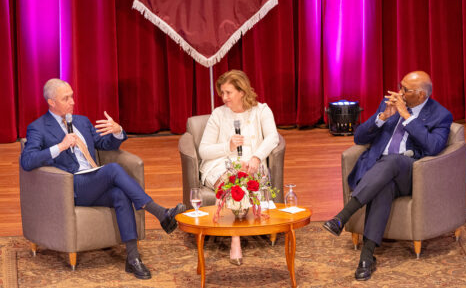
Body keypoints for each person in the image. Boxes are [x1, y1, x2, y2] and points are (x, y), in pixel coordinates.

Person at [20, 78, 186, 280]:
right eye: (66, 98)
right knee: (113, 170)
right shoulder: (38, 128)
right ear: (51, 102)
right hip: (71, 187)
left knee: (120, 194)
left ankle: (133, 259)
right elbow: (27, 161)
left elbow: (104, 145)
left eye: (72, 96)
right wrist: (60, 147)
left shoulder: (81, 121)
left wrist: (117, 132)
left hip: (94, 181)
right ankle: (160, 212)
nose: (72, 101)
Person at [323, 71, 452, 281]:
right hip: (379, 172)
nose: (399, 93)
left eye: (405, 90)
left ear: (420, 95)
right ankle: (366, 258)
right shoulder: (388, 106)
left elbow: (433, 147)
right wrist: (382, 117)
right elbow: (359, 137)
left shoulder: (440, 115)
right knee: (384, 186)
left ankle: (343, 216)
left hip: (411, 174)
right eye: (400, 86)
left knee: (392, 161)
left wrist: (407, 117)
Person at [199, 70, 279, 266]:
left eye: (228, 92)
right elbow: (203, 151)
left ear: (242, 91)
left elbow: (273, 137)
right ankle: (236, 238)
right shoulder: (218, 114)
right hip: (220, 163)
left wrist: (257, 157)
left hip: (252, 163)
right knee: (232, 181)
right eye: (223, 93)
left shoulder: (261, 110)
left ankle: (237, 233)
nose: (224, 97)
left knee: (243, 178)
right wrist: (228, 146)